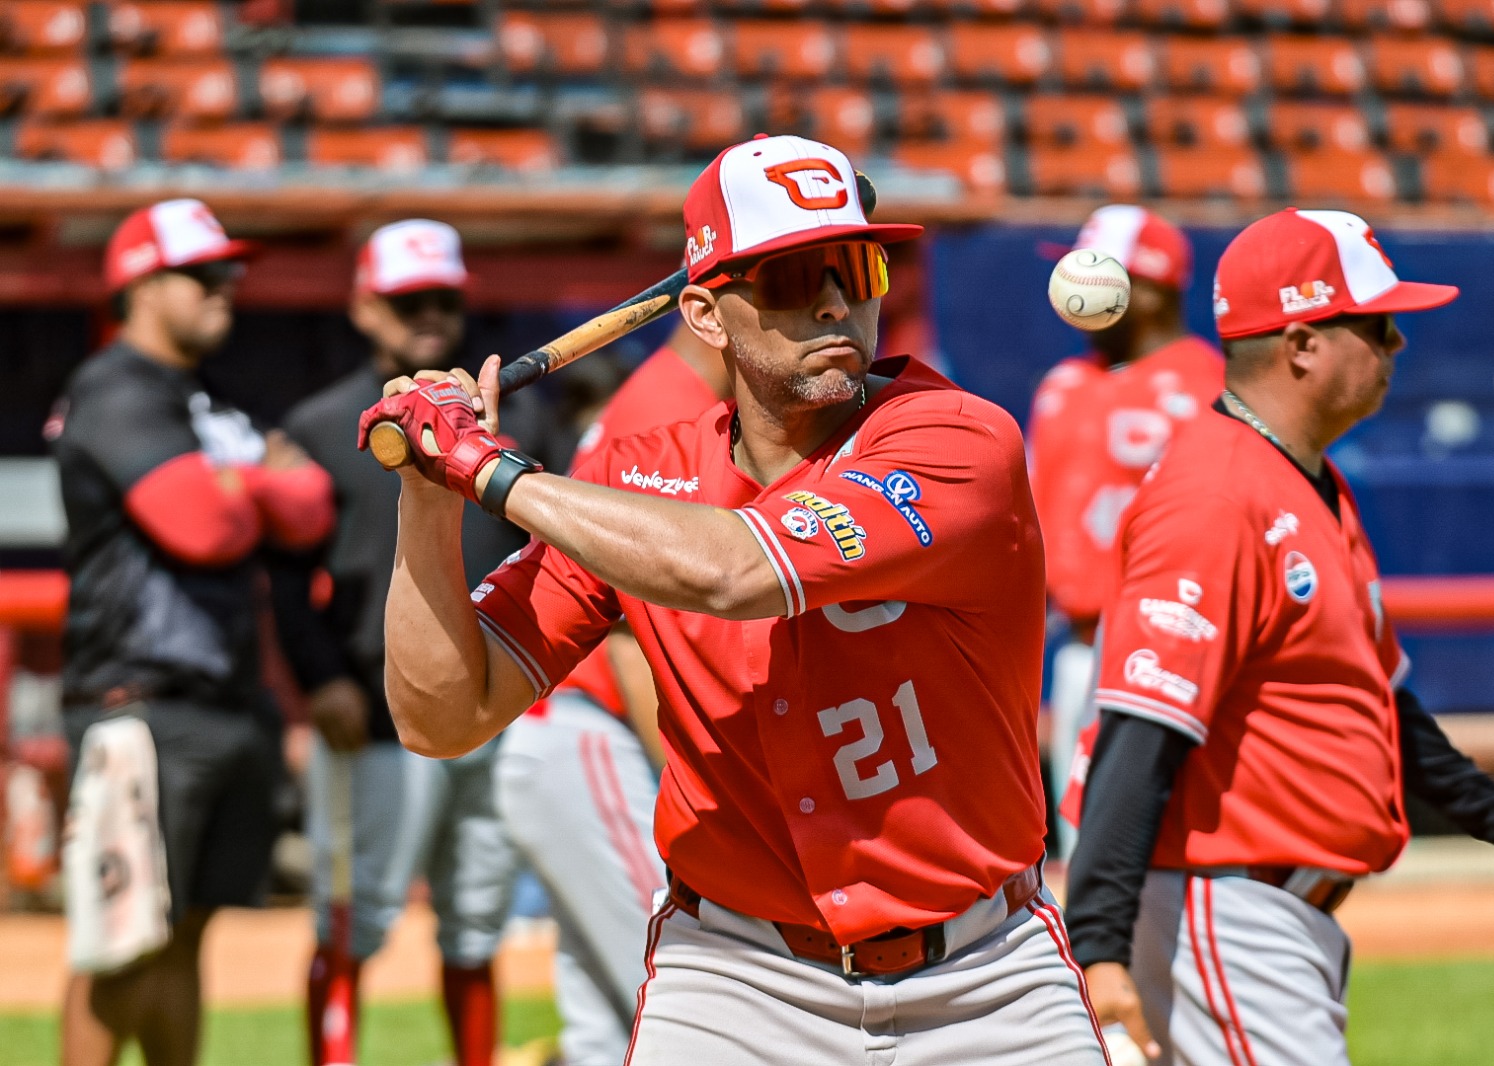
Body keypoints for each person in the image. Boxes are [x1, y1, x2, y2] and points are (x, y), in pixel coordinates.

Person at [362, 134, 1111, 1066]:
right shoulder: (640, 474)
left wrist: (483, 467)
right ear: (707, 317)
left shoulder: (956, 438)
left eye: (857, 264)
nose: (838, 299)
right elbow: (441, 714)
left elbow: (737, 572)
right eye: (795, 277)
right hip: (733, 977)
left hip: (983, 975)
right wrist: (428, 498)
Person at [1064, 207, 1494, 1066]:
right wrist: (1099, 947)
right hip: (1220, 909)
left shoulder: (1307, 480)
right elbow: (1141, 730)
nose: (1397, 345)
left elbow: (1378, 699)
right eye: (1379, 326)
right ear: (1303, 343)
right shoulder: (1216, 495)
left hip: (1267, 915)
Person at [50, 198, 334, 1066]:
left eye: (229, 274)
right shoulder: (115, 389)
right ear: (140, 285)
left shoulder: (201, 402)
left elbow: (312, 507)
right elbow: (200, 526)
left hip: (226, 701)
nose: (226, 289)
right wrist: (257, 487)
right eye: (204, 275)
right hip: (139, 701)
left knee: (185, 934)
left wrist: (234, 487)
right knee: (122, 941)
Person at [272, 220, 542, 1066]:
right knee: (356, 915)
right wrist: (318, 679)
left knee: (475, 918)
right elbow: (284, 578)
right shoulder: (319, 427)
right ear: (363, 306)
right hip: (377, 709)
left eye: (442, 298)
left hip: (508, 704)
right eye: (407, 299)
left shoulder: (514, 415)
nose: (428, 313)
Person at [492, 316, 729, 1066]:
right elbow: (634, 630)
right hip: (588, 731)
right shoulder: (668, 409)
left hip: (567, 740)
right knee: (689, 1000)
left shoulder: (663, 395)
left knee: (606, 1028)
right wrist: (697, 782)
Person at [1024, 206, 1222, 848]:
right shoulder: (1063, 382)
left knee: (1177, 849)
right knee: (1087, 852)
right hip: (1080, 645)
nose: (1072, 285)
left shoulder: (1213, 386)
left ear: (1154, 285)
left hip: (1179, 645)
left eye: (1097, 269)